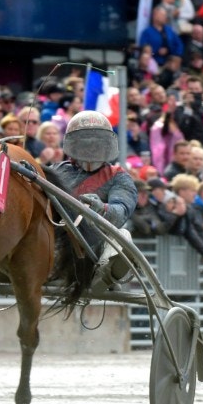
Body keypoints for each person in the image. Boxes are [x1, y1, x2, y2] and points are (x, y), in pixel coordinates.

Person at [51, 110, 138, 288]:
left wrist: (101, 208)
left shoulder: (119, 177)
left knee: (124, 235)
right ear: (72, 145)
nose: (92, 150)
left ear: (107, 146)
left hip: (94, 245)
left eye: (97, 144)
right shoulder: (55, 171)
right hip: (54, 241)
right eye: (85, 145)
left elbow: (121, 210)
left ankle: (105, 275)